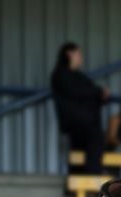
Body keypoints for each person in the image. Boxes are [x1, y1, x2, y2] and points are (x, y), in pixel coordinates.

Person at [51, 42, 108, 174]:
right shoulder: (61, 75)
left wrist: (102, 95)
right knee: (94, 142)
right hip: (77, 123)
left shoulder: (81, 77)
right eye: (78, 53)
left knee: (79, 152)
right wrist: (98, 92)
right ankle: (92, 180)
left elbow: (92, 94)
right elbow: (77, 92)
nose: (81, 57)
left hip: (86, 123)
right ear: (70, 54)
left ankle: (73, 188)